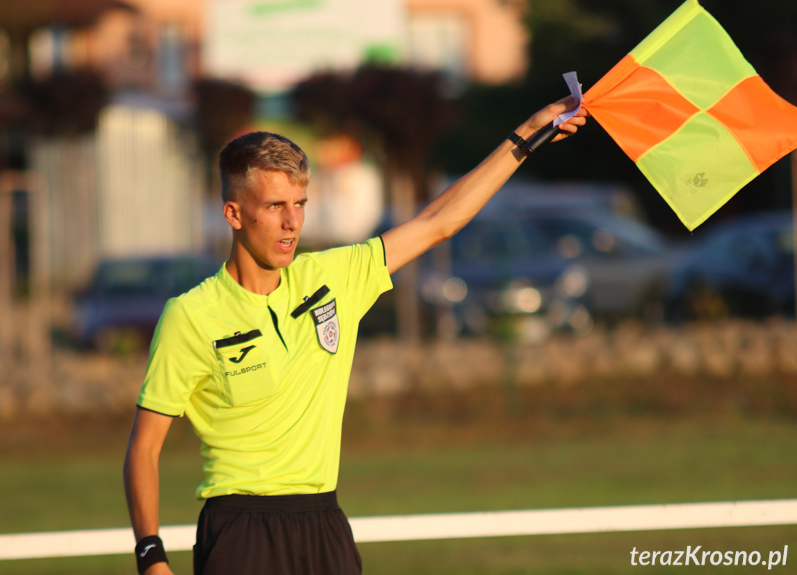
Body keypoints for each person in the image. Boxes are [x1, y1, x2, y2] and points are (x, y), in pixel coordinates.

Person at [123, 96, 588, 575]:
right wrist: (151, 557)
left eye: (300, 204)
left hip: (325, 524)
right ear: (234, 214)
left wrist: (528, 135)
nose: (292, 223)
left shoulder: (334, 277)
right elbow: (143, 448)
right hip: (240, 533)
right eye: (275, 206)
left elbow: (439, 222)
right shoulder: (191, 315)